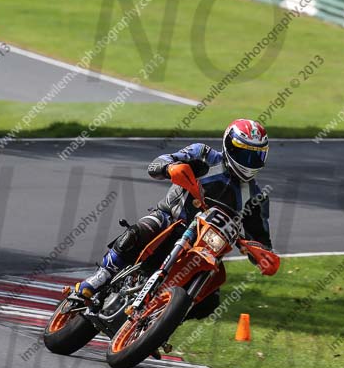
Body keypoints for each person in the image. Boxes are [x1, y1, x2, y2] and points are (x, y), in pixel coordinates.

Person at [76, 119, 273, 317]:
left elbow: (261, 241)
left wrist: (264, 257)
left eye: (256, 155)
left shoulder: (256, 197)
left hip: (206, 247)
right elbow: (158, 163)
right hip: (171, 218)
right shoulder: (203, 155)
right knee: (139, 232)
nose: (249, 162)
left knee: (209, 300)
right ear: (229, 145)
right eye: (244, 153)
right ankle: (101, 276)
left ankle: (158, 323)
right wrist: (169, 167)